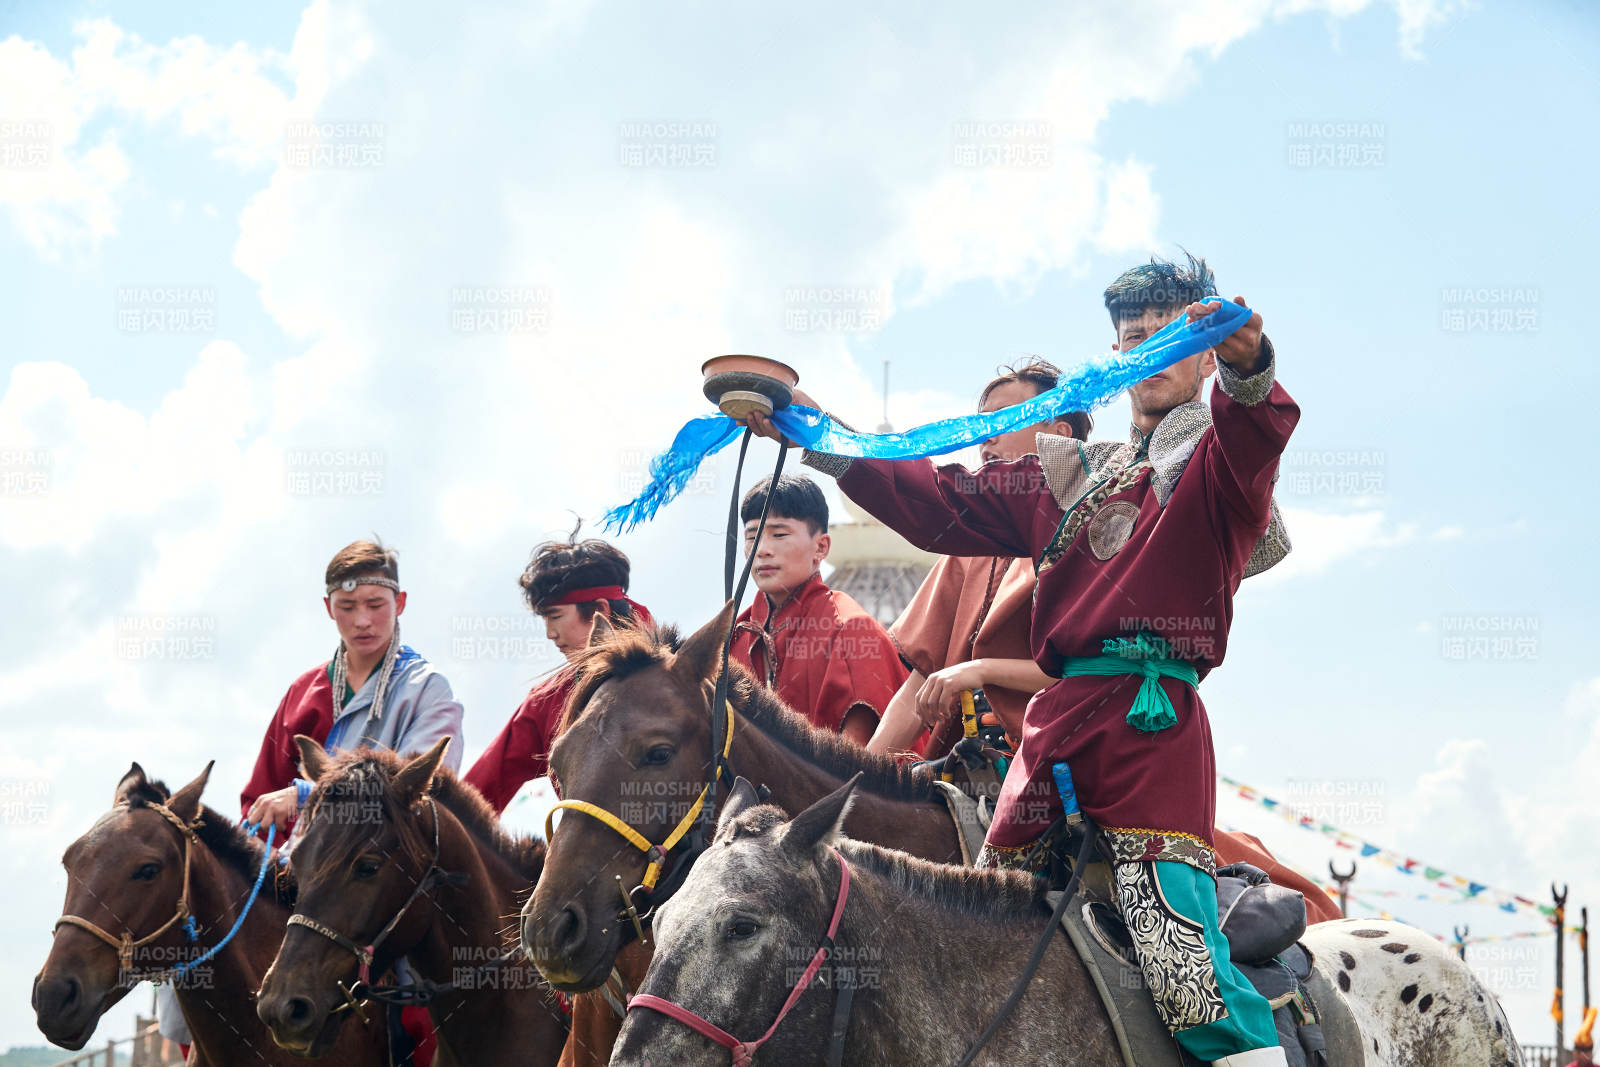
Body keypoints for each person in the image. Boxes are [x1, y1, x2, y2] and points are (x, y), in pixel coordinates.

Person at [750, 254, 1297, 1066]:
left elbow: (1255, 435)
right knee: (971, 930)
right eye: (1131, 337)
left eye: (1166, 333)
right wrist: (818, 432)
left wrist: (1254, 370)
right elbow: (935, 503)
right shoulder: (1073, 476)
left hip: (1152, 731)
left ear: (1206, 349)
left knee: (1184, 969)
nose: (1146, 348)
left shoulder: (1218, 467)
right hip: (1051, 734)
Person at [869, 358, 1087, 759]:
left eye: (1005, 420)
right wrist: (856, 778)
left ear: (1059, 437)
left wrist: (981, 669)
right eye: (982, 425)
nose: (987, 437)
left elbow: (1090, 673)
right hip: (964, 760)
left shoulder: (1088, 529)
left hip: (1058, 760)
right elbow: (919, 683)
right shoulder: (965, 553)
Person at [241, 540, 464, 835]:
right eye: (346, 606)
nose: (362, 621)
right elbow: (260, 797)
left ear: (400, 603)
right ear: (328, 608)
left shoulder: (428, 690)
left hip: (388, 863)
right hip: (302, 864)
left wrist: (307, 794)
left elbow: (420, 786)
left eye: (375, 605)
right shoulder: (304, 692)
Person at [465, 534, 652, 813]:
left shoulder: (679, 674)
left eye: (555, 616)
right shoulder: (548, 700)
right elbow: (479, 792)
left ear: (599, 609)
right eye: (544, 620)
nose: (550, 634)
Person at [729, 474, 907, 746]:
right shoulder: (732, 639)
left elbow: (861, 766)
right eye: (752, 537)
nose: (762, 550)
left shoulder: (852, 631)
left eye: (779, 534)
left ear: (821, 547)